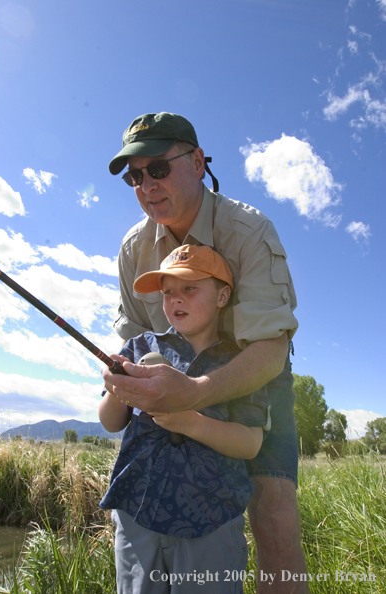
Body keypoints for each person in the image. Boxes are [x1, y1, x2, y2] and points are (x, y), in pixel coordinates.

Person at [102, 112, 309, 593]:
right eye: (135, 176)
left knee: (274, 513)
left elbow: (271, 349)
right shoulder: (133, 249)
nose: (146, 185)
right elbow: (132, 344)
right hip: (168, 388)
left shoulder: (249, 230)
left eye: (158, 169)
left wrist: (194, 395)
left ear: (197, 162)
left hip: (253, 374)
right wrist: (128, 382)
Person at [99, 244, 269, 594]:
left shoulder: (241, 366)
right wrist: (117, 387)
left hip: (211, 520)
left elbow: (250, 444)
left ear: (223, 296)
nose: (175, 299)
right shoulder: (140, 345)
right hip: (137, 515)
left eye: (189, 288)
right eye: (168, 292)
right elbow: (110, 422)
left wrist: (189, 421)